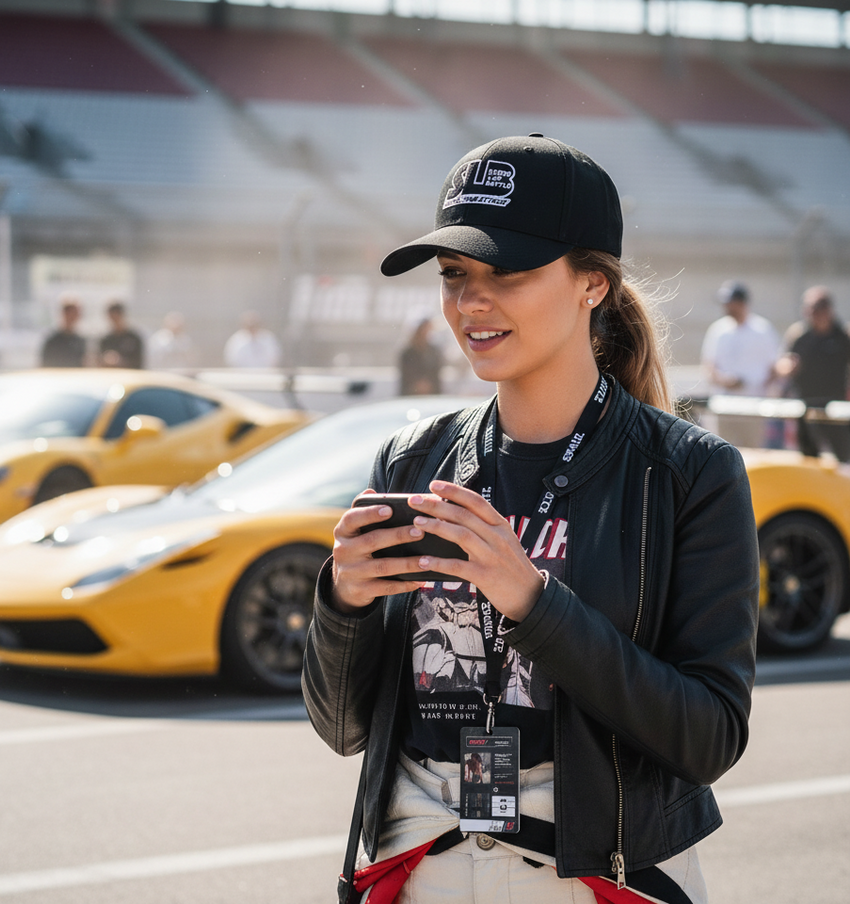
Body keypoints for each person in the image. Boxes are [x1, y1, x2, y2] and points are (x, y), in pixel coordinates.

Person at [302, 135, 759, 904]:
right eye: (454, 275)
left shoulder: (689, 473)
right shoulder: (413, 460)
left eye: (506, 271)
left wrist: (536, 604)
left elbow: (709, 736)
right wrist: (340, 603)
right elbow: (343, 729)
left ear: (591, 285)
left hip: (594, 872)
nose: (471, 301)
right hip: (416, 863)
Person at [700, 280, 782, 448]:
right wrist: (725, 381)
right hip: (723, 406)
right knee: (721, 453)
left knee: (752, 454)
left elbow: (774, 367)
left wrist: (764, 388)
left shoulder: (763, 330)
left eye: (730, 303)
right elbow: (709, 366)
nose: (727, 307)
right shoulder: (718, 330)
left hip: (754, 406)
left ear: (741, 303)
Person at [775, 285, 850, 461]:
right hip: (806, 407)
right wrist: (787, 367)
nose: (814, 313)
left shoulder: (842, 335)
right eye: (810, 308)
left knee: (843, 458)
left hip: (836, 409)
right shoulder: (799, 334)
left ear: (828, 309)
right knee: (809, 458)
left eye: (818, 308)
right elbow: (782, 363)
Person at [398, 318, 444, 396]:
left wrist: (429, 385)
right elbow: (407, 374)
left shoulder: (434, 351)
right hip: (410, 396)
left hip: (432, 396)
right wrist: (418, 385)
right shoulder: (407, 353)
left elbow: (436, 373)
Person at [40, 298, 86, 367]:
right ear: (64, 314)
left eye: (76, 313)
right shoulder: (52, 341)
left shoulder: (81, 340)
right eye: (71, 313)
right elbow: (45, 364)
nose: (73, 317)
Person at [98, 301, 144, 369]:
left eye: (117, 316)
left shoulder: (134, 338)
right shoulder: (105, 339)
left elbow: (138, 362)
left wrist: (121, 361)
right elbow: (99, 361)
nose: (115, 321)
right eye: (112, 317)